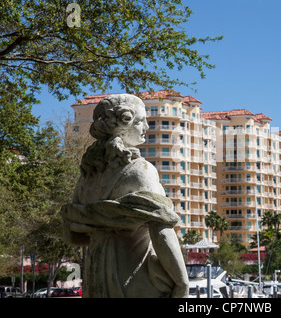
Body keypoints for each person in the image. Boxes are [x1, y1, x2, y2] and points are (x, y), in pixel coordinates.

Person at [60, 94, 188, 297]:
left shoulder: (88, 176)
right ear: (124, 125)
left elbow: (72, 237)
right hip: (136, 279)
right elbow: (162, 231)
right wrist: (182, 282)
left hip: (96, 278)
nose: (147, 127)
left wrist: (102, 228)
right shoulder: (139, 170)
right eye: (141, 121)